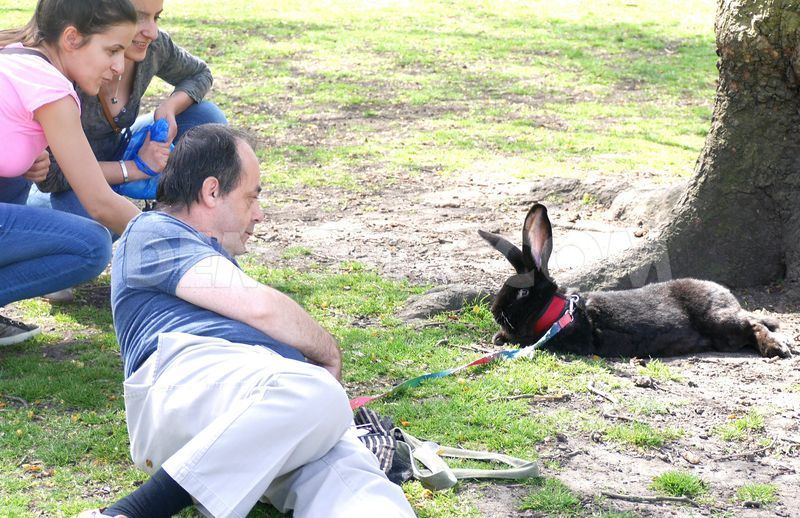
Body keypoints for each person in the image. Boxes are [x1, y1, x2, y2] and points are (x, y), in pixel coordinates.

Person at [82, 124, 416, 517]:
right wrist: (326, 354)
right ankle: (131, 512)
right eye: (251, 197)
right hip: (191, 384)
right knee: (316, 391)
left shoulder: (208, 252)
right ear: (211, 191)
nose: (259, 213)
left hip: (267, 409)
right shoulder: (154, 231)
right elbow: (261, 307)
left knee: (360, 488)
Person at [0, 0, 141, 345]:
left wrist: (21, 162)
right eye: (112, 50)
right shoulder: (51, 88)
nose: (119, 67)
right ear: (72, 38)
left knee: (22, 173)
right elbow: (99, 202)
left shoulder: (16, 57)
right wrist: (179, 243)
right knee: (91, 244)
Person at [34, 0, 227, 218]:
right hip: (79, 176)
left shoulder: (153, 48)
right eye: (138, 17)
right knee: (88, 223)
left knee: (206, 118)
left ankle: (183, 215)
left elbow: (199, 73)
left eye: (157, 17)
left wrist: (169, 107)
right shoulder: (68, 67)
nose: (152, 32)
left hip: (123, 146)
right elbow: (52, 174)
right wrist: (134, 168)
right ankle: (40, 214)